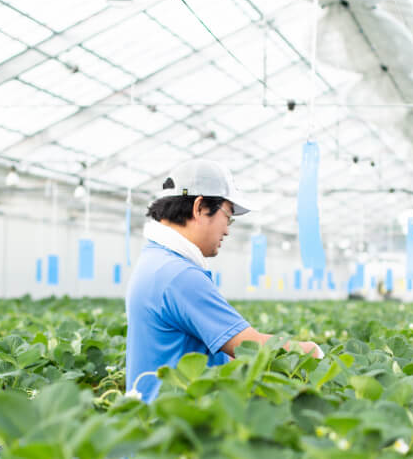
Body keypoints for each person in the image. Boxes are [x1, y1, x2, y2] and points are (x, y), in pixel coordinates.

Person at [125, 158, 321, 401]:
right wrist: (314, 352)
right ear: (199, 207)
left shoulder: (155, 260)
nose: (227, 229)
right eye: (228, 216)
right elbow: (249, 345)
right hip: (176, 420)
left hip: (155, 413)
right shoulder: (179, 275)